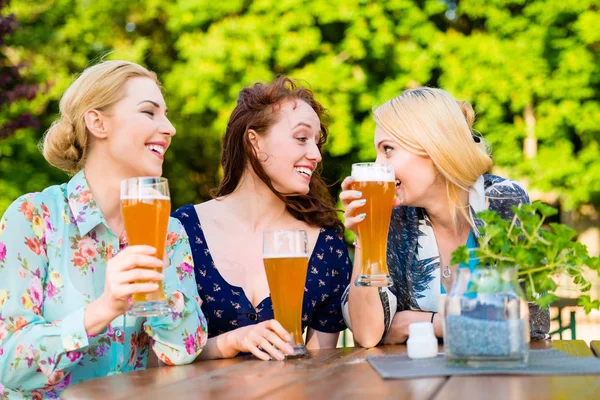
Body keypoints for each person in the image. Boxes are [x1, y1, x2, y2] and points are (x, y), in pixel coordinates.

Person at [0, 60, 207, 398]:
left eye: (166, 114)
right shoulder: (33, 216)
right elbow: (8, 363)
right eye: (149, 112)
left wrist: (161, 289)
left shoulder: (169, 232)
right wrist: (104, 309)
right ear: (98, 122)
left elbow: (182, 350)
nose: (169, 128)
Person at [340, 87, 550, 348]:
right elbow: (369, 334)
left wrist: (418, 323)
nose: (378, 164)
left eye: (388, 149)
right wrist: (365, 236)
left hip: (498, 378)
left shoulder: (502, 201)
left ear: (434, 147)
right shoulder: (394, 216)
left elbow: (532, 321)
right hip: (420, 384)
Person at [172, 77, 351, 361]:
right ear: (254, 142)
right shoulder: (181, 230)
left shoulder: (327, 244)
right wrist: (232, 341)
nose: (316, 155)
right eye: (302, 138)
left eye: (317, 143)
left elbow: (321, 366)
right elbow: (160, 352)